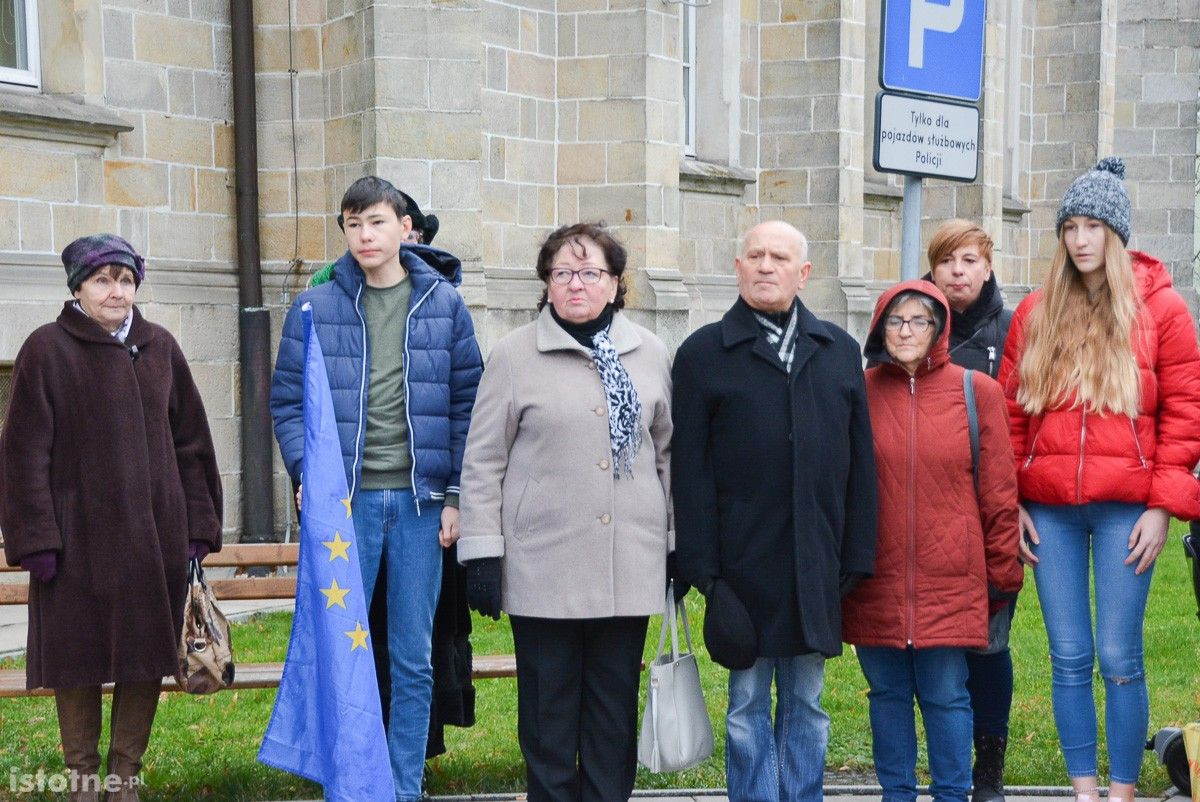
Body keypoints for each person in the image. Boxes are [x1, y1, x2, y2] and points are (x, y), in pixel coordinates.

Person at [270, 176, 482, 801]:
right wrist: (307, 474)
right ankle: (349, 784)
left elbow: (469, 405)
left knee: (413, 657)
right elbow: (288, 402)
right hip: (348, 507)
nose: (365, 235)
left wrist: (456, 496)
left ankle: (402, 786)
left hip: (421, 507)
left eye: (377, 222)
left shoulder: (443, 304)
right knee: (342, 652)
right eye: (353, 223)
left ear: (404, 228)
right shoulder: (314, 308)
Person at [998, 157, 1200, 802]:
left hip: (1126, 509)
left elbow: (1185, 411)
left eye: (1093, 227)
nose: (1080, 240)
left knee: (1118, 657)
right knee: (1068, 657)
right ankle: (1084, 791)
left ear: (1117, 234)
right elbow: (1010, 414)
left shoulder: (1162, 310)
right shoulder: (1036, 311)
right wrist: (1013, 499)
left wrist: (1163, 506)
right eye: (1070, 227)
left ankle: (1121, 791)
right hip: (1048, 512)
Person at [0, 234, 223, 802]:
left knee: (145, 657)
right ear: (78, 288)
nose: (116, 292)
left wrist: (198, 528)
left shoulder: (160, 346)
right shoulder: (46, 349)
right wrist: (36, 539)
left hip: (155, 539)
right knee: (75, 661)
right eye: (102, 280)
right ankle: (82, 779)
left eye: (126, 280)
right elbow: (23, 451)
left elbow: (192, 443)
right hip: (75, 543)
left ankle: (125, 777)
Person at [457, 222, 674, 802]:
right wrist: (483, 553)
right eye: (562, 273)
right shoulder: (514, 355)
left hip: (627, 565)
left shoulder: (650, 353)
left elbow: (667, 454)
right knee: (548, 716)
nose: (576, 284)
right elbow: (483, 460)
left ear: (615, 283)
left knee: (612, 714)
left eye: (590, 272)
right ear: (547, 283)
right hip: (542, 568)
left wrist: (676, 543)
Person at [672, 220, 878, 802]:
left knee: (807, 701)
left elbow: (861, 462)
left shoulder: (837, 351)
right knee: (745, 705)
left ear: (803, 273)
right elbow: (689, 471)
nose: (766, 266)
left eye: (780, 258)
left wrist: (856, 555)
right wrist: (704, 571)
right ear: (738, 267)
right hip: (741, 568)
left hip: (817, 563)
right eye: (756, 255)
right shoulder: (703, 354)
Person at [843, 280, 1023, 802]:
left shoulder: (975, 391)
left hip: (951, 578)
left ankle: (951, 794)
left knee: (947, 696)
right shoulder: (858, 392)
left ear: (939, 328)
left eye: (919, 320)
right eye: (895, 320)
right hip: (875, 579)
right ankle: (896, 794)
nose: (906, 331)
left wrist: (1001, 577)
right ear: (879, 328)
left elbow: (998, 493)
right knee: (887, 695)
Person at [925, 219, 1016, 802]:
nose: (957, 272)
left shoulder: (1011, 330)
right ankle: (946, 765)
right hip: (928, 514)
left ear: (987, 267)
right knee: (937, 653)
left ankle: (988, 766)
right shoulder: (908, 321)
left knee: (988, 643)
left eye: (969, 261)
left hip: (992, 513)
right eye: (946, 262)